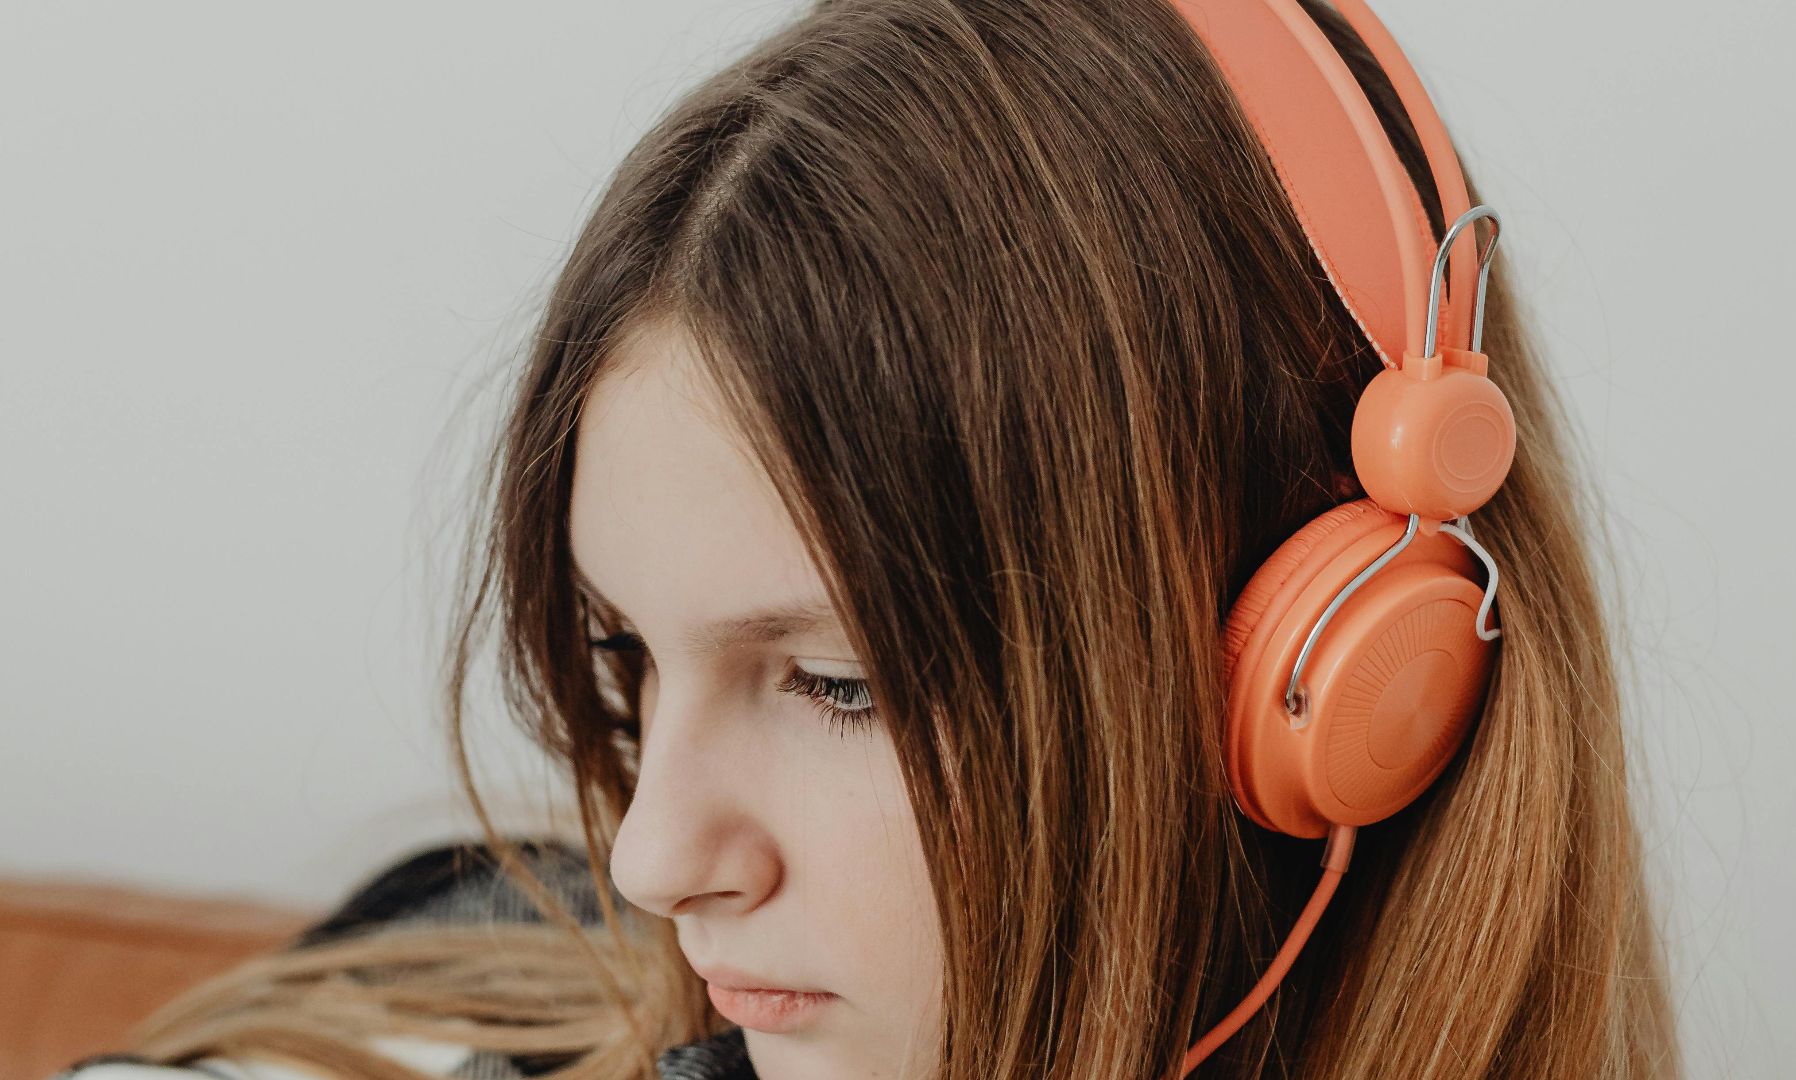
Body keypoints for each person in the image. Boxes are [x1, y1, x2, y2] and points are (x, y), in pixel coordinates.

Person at [51, 0, 1680, 1077]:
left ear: (1338, 694)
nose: (653, 858)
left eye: (838, 683)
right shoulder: (454, 959)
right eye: (627, 654)